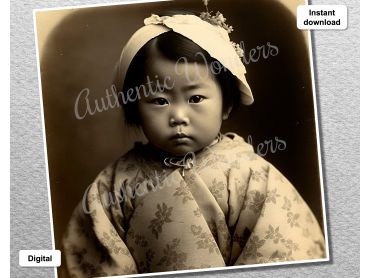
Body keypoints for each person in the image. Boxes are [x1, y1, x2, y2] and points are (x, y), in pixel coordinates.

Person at [62, 8, 326, 278]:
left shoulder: (249, 175)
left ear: (227, 103)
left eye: (195, 98)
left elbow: (285, 247)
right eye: (159, 101)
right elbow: (94, 260)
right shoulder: (117, 185)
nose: (178, 116)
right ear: (135, 109)